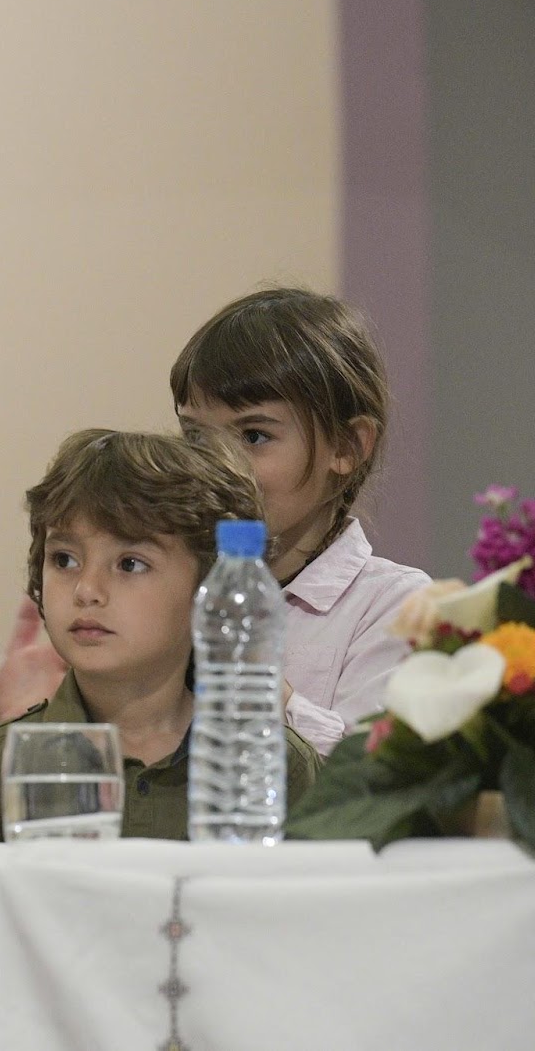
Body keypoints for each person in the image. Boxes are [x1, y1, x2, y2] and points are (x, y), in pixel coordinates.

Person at [0, 430, 321, 841]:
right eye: (64, 560)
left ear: (209, 588)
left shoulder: (273, 764)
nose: (86, 590)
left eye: (130, 564)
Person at [172, 287, 431, 755]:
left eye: (253, 435)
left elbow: (377, 789)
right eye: (195, 436)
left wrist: (266, 694)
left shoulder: (397, 607)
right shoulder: (172, 585)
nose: (215, 464)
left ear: (347, 447)